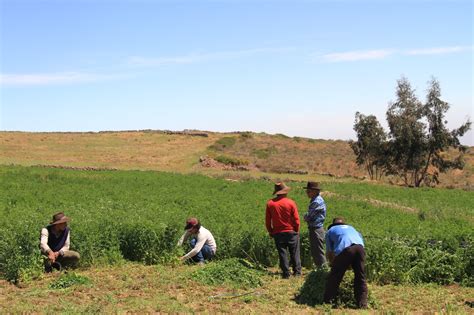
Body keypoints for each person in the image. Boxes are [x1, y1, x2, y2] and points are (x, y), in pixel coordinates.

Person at [324, 217, 368, 309]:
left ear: (333, 225)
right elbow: (359, 245)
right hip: (360, 249)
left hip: (346, 250)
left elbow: (329, 252)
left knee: (335, 275)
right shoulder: (352, 228)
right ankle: (362, 304)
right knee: (360, 276)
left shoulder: (330, 231)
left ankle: (328, 301)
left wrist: (333, 264)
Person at [265, 182, 301, 279]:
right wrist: (297, 230)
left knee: (282, 253)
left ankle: (286, 273)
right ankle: (297, 272)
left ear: (277, 192)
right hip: (291, 231)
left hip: (278, 232)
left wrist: (270, 231)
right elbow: (296, 219)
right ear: (285, 192)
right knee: (294, 252)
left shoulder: (270, 204)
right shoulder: (291, 202)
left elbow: (268, 221)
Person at [303, 181, 327, 267]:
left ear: (315, 191)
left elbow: (308, 216)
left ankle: (323, 270)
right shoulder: (315, 200)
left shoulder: (316, 202)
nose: (307, 193)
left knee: (318, 252)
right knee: (316, 251)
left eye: (309, 191)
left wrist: (305, 216)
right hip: (315, 228)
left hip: (316, 229)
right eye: (307, 191)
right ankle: (321, 270)